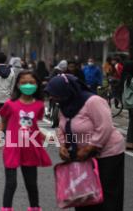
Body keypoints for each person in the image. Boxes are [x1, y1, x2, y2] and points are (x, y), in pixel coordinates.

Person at [45, 74, 125, 211]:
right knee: (84, 195)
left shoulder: (93, 101)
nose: (52, 98)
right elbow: (62, 127)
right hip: (82, 155)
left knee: (107, 197)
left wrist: (90, 148)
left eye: (55, 94)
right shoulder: (65, 105)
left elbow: (104, 127)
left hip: (107, 154)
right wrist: (63, 145)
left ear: (67, 90)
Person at [0, 70, 52, 211]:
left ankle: (35, 207)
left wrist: (45, 136)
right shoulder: (10, 104)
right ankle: (6, 208)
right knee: (11, 183)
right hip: (13, 147)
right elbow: (3, 123)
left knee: (31, 183)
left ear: (37, 84)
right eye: (24, 82)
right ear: (18, 85)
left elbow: (33, 125)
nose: (28, 85)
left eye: (31, 82)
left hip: (31, 148)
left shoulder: (39, 105)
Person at [121, 61, 133, 151]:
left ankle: (129, 142)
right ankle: (130, 142)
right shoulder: (131, 80)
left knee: (131, 122)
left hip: (130, 104)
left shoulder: (126, 79)